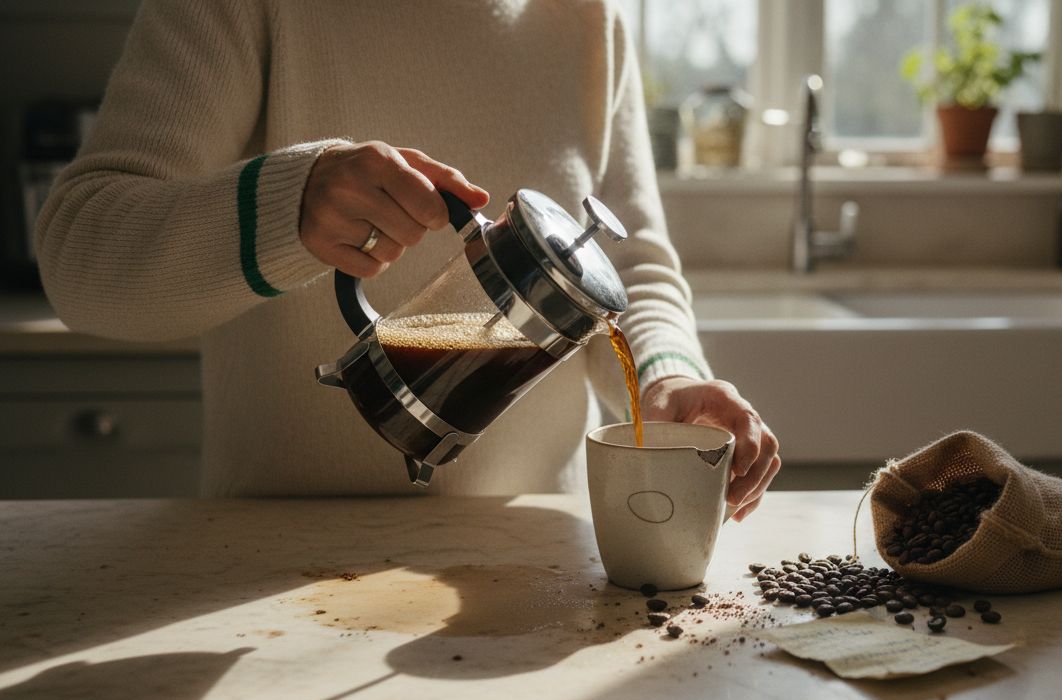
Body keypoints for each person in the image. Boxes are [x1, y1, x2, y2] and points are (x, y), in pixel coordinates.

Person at [36, 0, 780, 518]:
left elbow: (636, 268)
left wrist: (667, 378)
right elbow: (79, 254)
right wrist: (286, 205)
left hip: (530, 568)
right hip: (268, 565)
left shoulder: (586, 19)